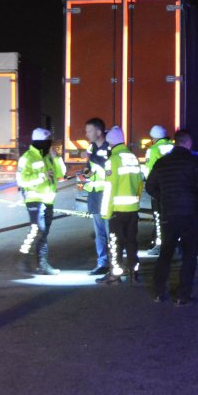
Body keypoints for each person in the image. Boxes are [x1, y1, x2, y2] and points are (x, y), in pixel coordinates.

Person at [146, 129, 198, 305]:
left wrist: (164, 199)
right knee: (190, 254)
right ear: (188, 143)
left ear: (175, 142)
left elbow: (150, 187)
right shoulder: (194, 162)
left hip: (169, 213)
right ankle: (183, 294)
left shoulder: (161, 163)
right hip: (190, 213)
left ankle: (158, 292)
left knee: (165, 253)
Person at [98, 126, 144, 285]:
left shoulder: (113, 160)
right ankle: (134, 273)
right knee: (132, 242)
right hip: (132, 209)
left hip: (117, 210)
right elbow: (140, 184)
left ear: (110, 143)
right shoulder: (133, 157)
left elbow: (110, 188)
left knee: (115, 243)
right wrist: (136, 202)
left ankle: (115, 275)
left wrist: (106, 212)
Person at [16, 127, 65, 275]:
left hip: (48, 199)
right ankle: (25, 259)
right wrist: (42, 176)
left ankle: (42, 265)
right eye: (46, 142)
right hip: (34, 199)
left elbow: (61, 173)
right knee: (37, 230)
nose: (49, 144)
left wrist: (57, 158)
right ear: (38, 142)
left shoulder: (47, 156)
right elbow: (21, 180)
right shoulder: (27, 157)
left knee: (43, 233)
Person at [81, 117, 112, 276]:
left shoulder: (110, 148)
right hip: (94, 195)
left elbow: (105, 165)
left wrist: (90, 158)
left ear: (99, 132)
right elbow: (89, 168)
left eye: (89, 131)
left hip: (106, 195)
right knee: (99, 233)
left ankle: (115, 264)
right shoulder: (91, 149)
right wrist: (85, 174)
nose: (86, 134)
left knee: (109, 232)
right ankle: (102, 263)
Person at [142, 124, 174, 256]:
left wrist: (148, 184)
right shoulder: (173, 147)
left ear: (154, 138)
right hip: (173, 188)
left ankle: (160, 245)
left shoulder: (153, 150)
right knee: (172, 217)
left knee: (158, 217)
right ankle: (174, 244)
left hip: (159, 189)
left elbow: (149, 170)